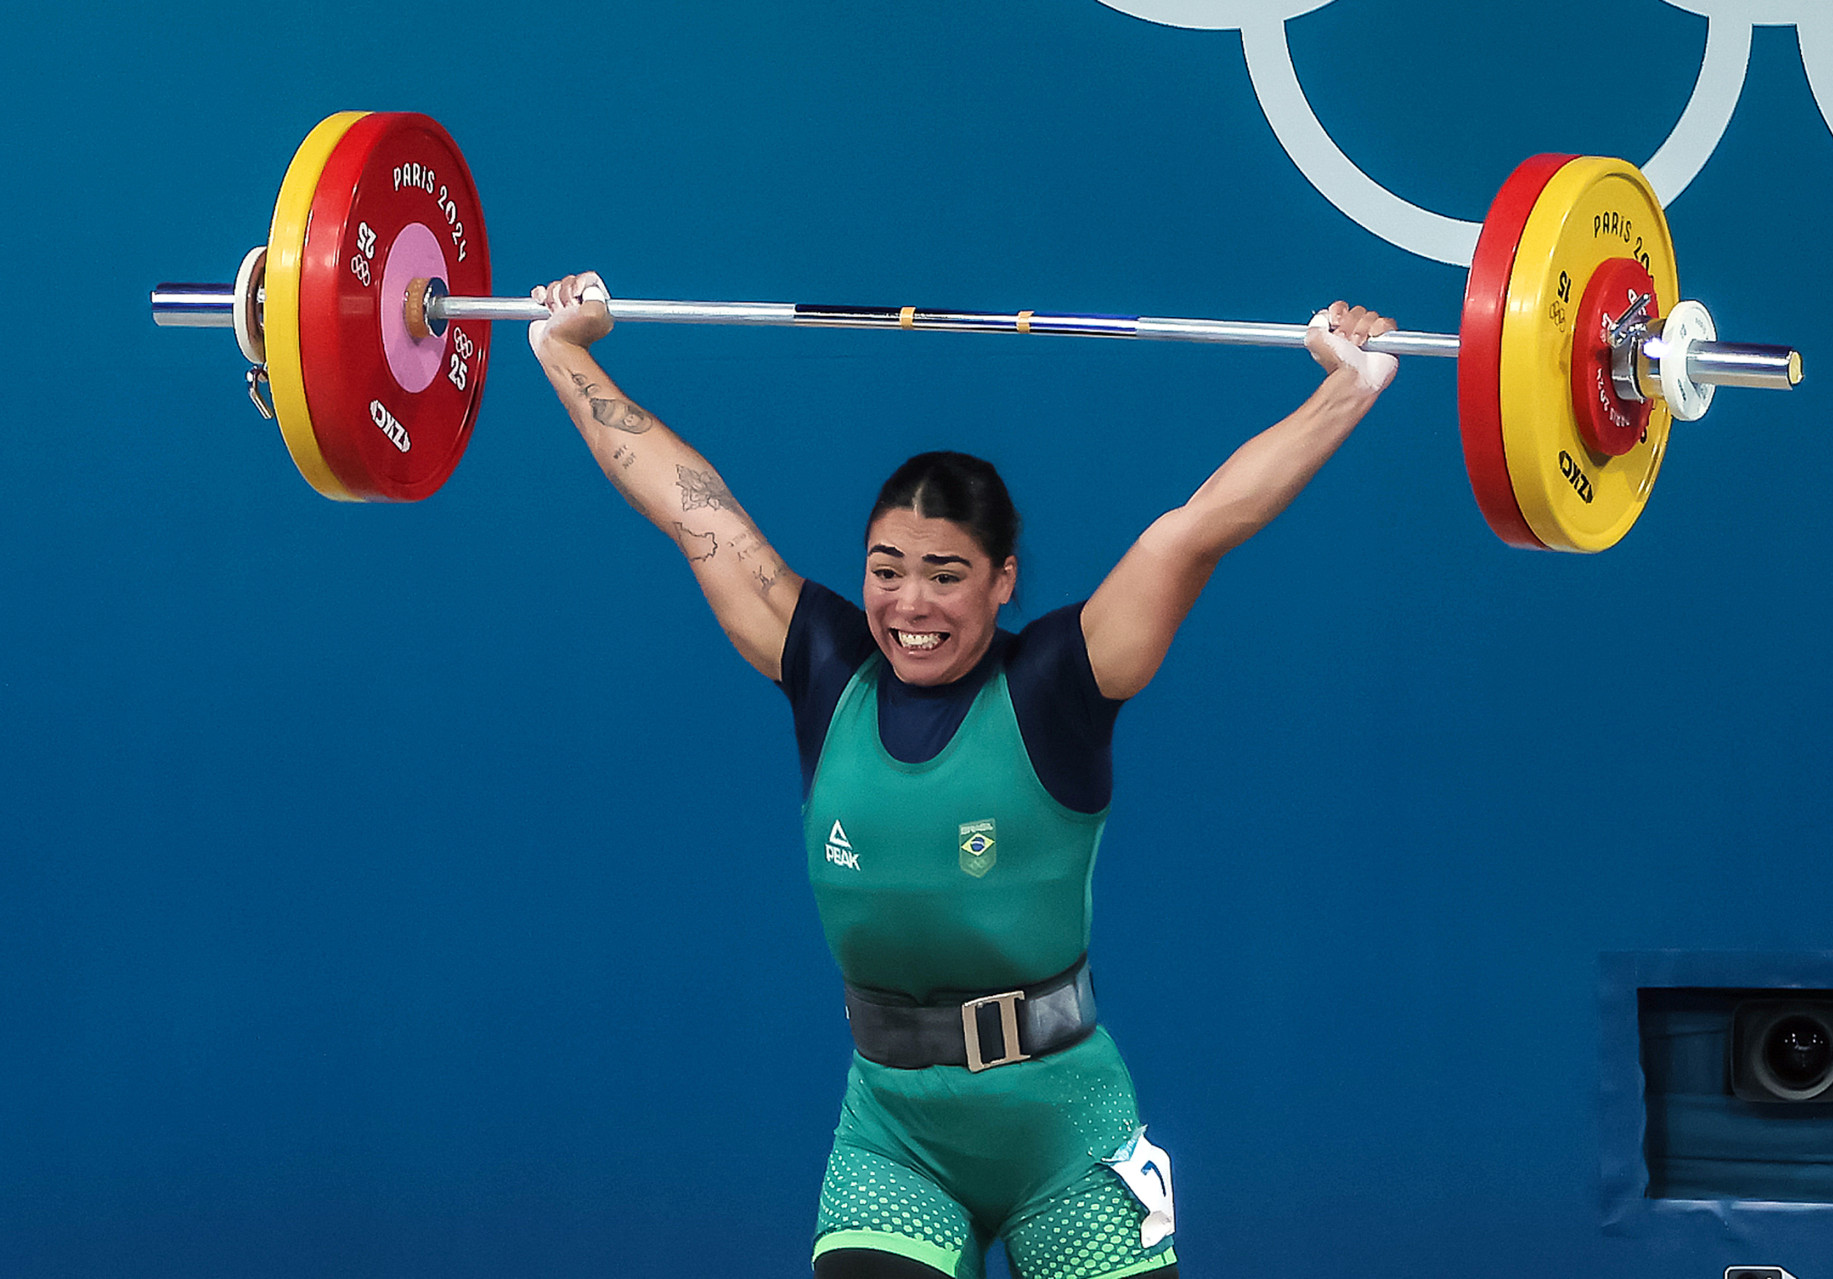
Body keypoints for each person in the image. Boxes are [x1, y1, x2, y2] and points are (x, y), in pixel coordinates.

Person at [529, 273, 1396, 1279]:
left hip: (1064, 1131)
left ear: (1003, 581)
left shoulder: (1058, 683)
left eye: (945, 574)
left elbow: (1194, 529)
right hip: (893, 1133)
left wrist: (1351, 384)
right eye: (885, 568)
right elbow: (695, 509)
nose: (909, 604)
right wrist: (566, 353)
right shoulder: (823, 665)